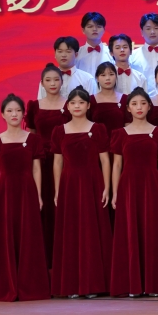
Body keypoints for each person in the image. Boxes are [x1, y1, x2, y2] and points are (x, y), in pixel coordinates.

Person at [0, 94, 49, 302]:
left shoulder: (33, 140)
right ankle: (6, 286)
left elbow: (36, 169)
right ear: (2, 114)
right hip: (4, 193)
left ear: (23, 114)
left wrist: (38, 195)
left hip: (27, 191)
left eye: (18, 110)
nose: (14, 114)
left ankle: (30, 287)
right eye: (10, 111)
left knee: (28, 237)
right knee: (5, 238)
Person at [50, 87, 112, 298]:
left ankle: (93, 284)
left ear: (88, 105)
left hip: (93, 183)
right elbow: (57, 163)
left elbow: (105, 160)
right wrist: (58, 190)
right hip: (69, 185)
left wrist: (106, 187)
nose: (77, 106)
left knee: (92, 231)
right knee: (71, 232)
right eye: (73, 102)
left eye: (81, 102)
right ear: (67, 106)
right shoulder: (59, 131)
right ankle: (72, 285)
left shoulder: (98, 129)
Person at [109, 89, 158, 297]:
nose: (139, 107)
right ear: (128, 108)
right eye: (134, 104)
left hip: (152, 185)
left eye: (143, 103)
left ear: (149, 106)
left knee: (153, 232)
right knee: (130, 231)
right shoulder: (120, 133)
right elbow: (117, 165)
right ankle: (132, 284)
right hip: (128, 186)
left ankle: (153, 284)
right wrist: (115, 193)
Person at [26, 64, 71, 267]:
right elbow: (33, 136)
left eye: (56, 80)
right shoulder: (34, 106)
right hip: (40, 163)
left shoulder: (70, 104)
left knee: (62, 205)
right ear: (42, 83)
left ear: (62, 82)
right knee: (42, 205)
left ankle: (63, 256)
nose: (52, 83)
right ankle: (42, 257)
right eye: (48, 80)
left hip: (64, 161)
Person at [88, 62, 128, 134]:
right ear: (97, 78)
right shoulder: (90, 100)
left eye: (111, 74)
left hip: (120, 139)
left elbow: (129, 126)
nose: (108, 78)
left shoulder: (125, 99)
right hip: (97, 139)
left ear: (116, 76)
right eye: (103, 75)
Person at [75, 12, 112, 76]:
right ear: (83, 30)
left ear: (104, 30)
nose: (94, 29)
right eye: (90, 26)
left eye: (99, 26)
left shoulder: (111, 53)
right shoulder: (77, 54)